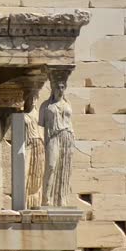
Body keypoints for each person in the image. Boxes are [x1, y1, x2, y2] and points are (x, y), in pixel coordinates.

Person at [39, 69, 74, 207]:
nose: (60, 90)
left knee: (64, 167)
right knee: (51, 165)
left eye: (63, 87)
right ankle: (46, 198)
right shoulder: (45, 106)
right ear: (53, 88)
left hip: (67, 137)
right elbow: (41, 125)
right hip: (52, 137)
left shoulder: (67, 105)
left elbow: (70, 123)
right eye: (58, 87)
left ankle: (61, 199)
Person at [24, 88, 44, 209]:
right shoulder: (24, 116)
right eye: (30, 98)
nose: (33, 101)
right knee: (26, 171)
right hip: (28, 144)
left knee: (38, 173)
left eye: (35, 98)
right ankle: (24, 201)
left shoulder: (39, 114)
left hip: (39, 144)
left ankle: (35, 202)